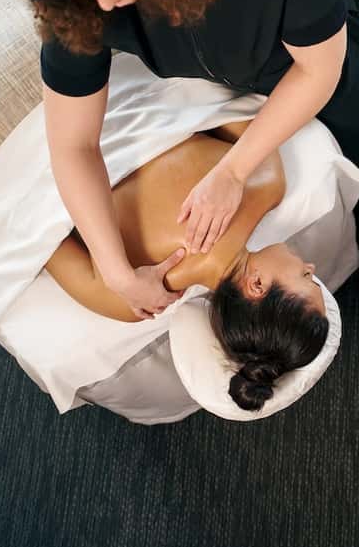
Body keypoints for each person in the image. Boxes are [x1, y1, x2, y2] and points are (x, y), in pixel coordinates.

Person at [4, 0, 359, 322]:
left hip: (297, 59)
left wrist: (233, 171)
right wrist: (117, 275)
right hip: (207, 71)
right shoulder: (82, 1)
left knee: (350, 151)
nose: (105, 2)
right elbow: (73, 145)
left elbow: (318, 71)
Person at [45, 122, 328, 411]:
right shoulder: (126, 300)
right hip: (44, 147)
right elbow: (44, 242)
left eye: (306, 276)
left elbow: (215, 99)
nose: (310, 265)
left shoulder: (267, 181)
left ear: (257, 285)